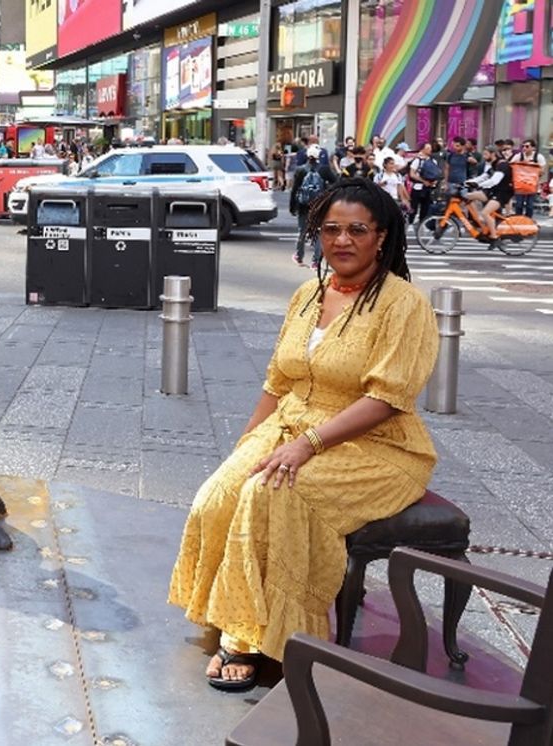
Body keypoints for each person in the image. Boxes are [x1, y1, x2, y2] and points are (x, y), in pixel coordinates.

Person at [170, 178, 438, 692]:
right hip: (292, 424)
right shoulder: (307, 294)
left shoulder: (403, 304)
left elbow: (385, 400)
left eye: (357, 229)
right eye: (330, 229)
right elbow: (278, 381)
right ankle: (234, 608)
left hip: (377, 447)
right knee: (220, 492)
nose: (341, 240)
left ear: (381, 237)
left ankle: (248, 637)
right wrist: (246, 445)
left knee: (271, 492)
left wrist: (307, 445)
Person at [288, 145, 337, 269]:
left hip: (303, 205)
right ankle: (315, 262)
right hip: (319, 205)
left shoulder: (300, 170)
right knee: (317, 233)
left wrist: (292, 207)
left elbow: (294, 190)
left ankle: (299, 256)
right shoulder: (324, 170)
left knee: (302, 232)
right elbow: (336, 182)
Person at [465, 146, 513, 241]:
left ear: (493, 154)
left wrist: (479, 185)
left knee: (485, 212)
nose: (484, 156)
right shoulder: (494, 164)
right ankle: (480, 222)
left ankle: (494, 237)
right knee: (467, 196)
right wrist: (466, 183)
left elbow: (494, 181)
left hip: (502, 194)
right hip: (493, 191)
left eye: (486, 154)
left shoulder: (502, 165)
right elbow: (483, 177)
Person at [508, 139, 546, 217]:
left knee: (530, 205)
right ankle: (518, 220)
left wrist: (531, 167)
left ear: (533, 148)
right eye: (523, 146)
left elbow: (542, 171)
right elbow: (510, 166)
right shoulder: (519, 156)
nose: (524, 148)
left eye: (527, 146)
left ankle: (528, 221)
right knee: (519, 205)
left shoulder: (538, 157)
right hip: (519, 184)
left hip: (532, 185)